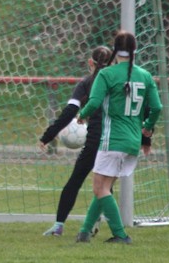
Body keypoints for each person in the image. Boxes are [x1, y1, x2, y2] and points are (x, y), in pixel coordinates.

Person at [75, 30, 162, 244]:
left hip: (112, 140)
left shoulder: (107, 74)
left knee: (99, 187)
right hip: (132, 140)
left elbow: (94, 103)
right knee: (104, 187)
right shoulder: (145, 75)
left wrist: (81, 115)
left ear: (115, 50)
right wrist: (148, 128)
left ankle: (120, 235)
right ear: (135, 50)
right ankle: (85, 233)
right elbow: (157, 107)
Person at [38, 45, 111, 237]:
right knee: (106, 185)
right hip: (114, 140)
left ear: (90, 63)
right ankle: (101, 222)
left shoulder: (86, 83)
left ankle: (59, 226)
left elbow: (69, 113)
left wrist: (48, 135)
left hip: (94, 141)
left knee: (74, 182)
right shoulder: (117, 82)